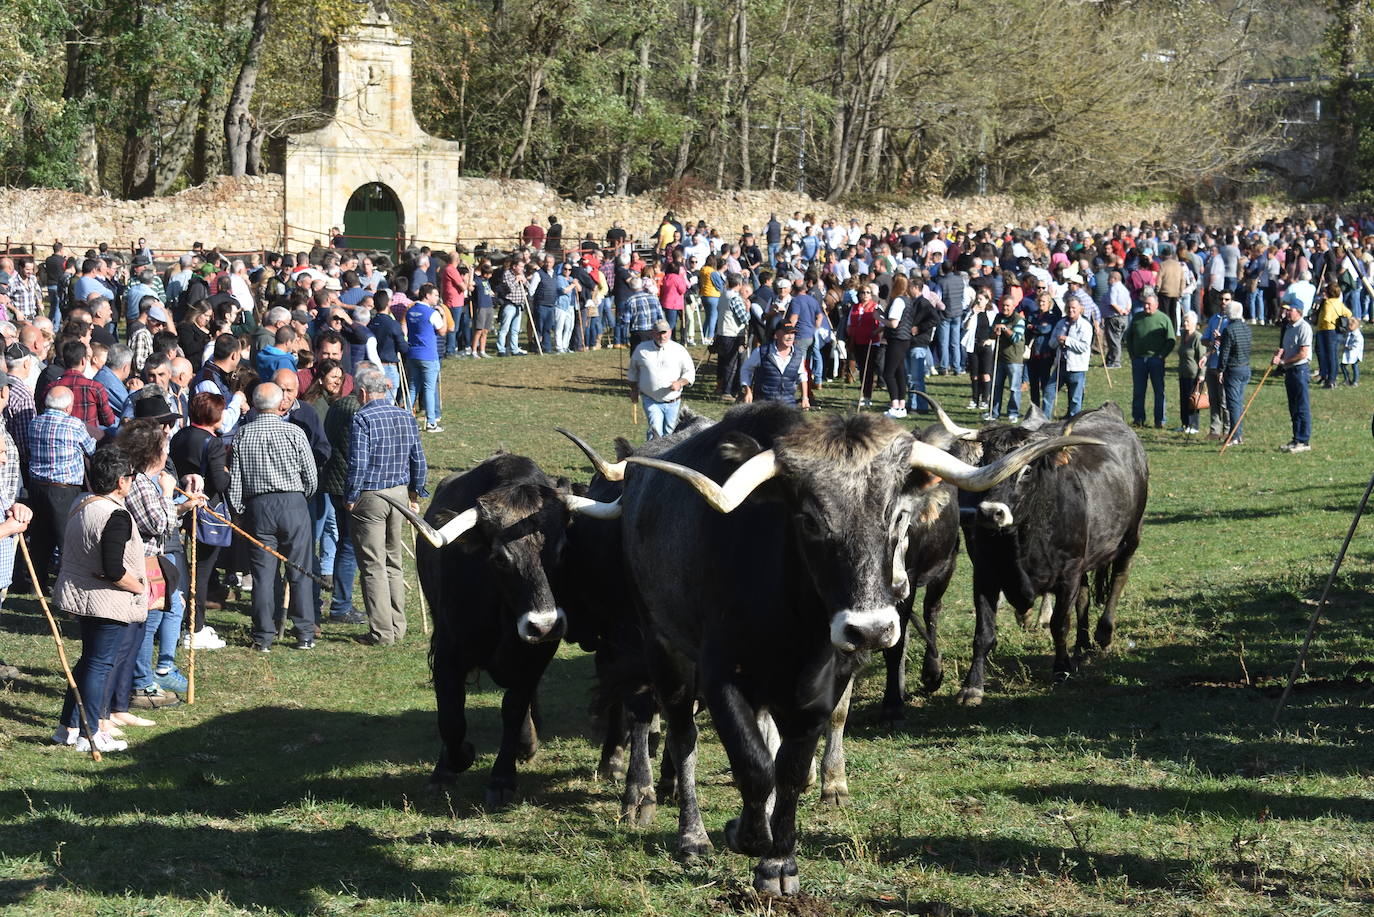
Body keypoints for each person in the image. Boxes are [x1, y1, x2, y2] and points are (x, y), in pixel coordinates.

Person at [50, 447, 145, 754]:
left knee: (88, 661)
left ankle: (68, 727)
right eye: (130, 477)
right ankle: (90, 733)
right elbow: (114, 569)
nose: (131, 482)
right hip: (107, 602)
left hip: (84, 596)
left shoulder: (82, 504)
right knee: (99, 665)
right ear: (121, 481)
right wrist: (140, 588)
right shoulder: (116, 515)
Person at [228, 382, 318, 652]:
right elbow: (311, 477)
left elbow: (236, 483)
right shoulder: (294, 432)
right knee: (300, 570)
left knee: (263, 575)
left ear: (254, 406)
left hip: (259, 507)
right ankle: (304, 633)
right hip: (293, 503)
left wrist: (239, 511)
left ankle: (263, 636)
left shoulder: (242, 435)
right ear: (280, 404)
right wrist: (301, 499)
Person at [346, 367, 428, 646]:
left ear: (363, 392)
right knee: (394, 561)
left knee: (373, 565)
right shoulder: (406, 415)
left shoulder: (362, 417)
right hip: (400, 494)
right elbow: (419, 458)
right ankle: (398, 626)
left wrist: (351, 495)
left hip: (371, 494)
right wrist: (415, 492)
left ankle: (382, 633)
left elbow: (358, 461)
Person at [168, 392, 231, 649]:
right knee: (201, 572)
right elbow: (220, 482)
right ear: (214, 414)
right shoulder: (214, 444)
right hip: (205, 512)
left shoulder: (179, 436)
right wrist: (227, 469)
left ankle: (186, 621)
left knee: (184, 568)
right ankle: (196, 628)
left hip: (180, 506)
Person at [28, 386, 98, 590]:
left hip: (37, 486)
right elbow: (91, 449)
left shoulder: (35, 422)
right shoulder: (74, 425)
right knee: (66, 537)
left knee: (41, 536)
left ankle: (36, 583)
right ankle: (69, 584)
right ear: (69, 407)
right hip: (64, 488)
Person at [628, 320, 695, 439]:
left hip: (673, 401)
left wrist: (680, 383)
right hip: (651, 399)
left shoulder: (679, 350)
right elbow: (633, 370)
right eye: (659, 333)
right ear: (653, 333)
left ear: (670, 332)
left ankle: (666, 456)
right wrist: (634, 390)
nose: (662, 336)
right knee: (655, 430)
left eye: (665, 333)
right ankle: (650, 454)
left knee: (670, 431)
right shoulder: (642, 349)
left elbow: (690, 372)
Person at [1124, 292, 1176, 428]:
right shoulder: (1137, 318)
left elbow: (1171, 340)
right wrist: (1132, 354)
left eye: (1149, 304)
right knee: (1138, 391)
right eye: (1144, 304)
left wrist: (1162, 355)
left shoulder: (1164, 319)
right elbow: (1128, 337)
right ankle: (1138, 419)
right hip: (1139, 360)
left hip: (1156, 360)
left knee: (1159, 391)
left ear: (1156, 305)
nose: (1146, 307)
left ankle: (1160, 420)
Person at [406, 283, 446, 432]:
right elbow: (442, 331)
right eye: (435, 295)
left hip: (413, 353)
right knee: (429, 389)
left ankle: (407, 418)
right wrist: (442, 314)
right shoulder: (432, 313)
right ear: (427, 296)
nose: (437, 298)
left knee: (413, 387)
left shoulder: (411, 311)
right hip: (428, 355)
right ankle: (431, 422)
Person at [741, 322, 810, 409]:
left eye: (792, 333)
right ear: (777, 334)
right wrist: (747, 390)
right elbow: (746, 369)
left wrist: (805, 397)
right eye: (786, 333)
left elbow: (802, 375)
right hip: (763, 405)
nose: (790, 337)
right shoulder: (761, 352)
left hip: (788, 406)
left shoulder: (798, 355)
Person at [1045, 295, 1093, 418]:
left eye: (1074, 308)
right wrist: (1058, 341)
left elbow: (1084, 347)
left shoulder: (1085, 325)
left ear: (1080, 309)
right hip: (1061, 364)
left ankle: (1073, 423)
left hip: (1077, 367)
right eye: (1069, 308)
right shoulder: (1061, 323)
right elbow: (1051, 343)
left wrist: (1067, 341)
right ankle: (1044, 419)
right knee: (1049, 391)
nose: (1071, 310)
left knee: (1075, 398)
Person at [1274, 300, 1313, 453]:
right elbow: (1285, 348)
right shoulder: (1288, 327)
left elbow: (1303, 353)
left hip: (1299, 370)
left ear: (1299, 312)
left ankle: (1304, 440)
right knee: (1293, 407)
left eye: (1291, 310)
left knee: (1301, 406)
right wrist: (1278, 355)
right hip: (1289, 370)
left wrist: (1283, 361)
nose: (1287, 312)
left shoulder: (1304, 327)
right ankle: (1296, 438)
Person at [1217, 301, 1252, 446]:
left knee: (1233, 405)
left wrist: (1220, 369)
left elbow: (1224, 353)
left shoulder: (1229, 330)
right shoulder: (1247, 329)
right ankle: (1238, 433)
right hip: (1245, 367)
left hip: (1233, 370)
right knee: (1239, 402)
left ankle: (1235, 435)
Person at [987, 293, 1027, 422]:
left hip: (1013, 359)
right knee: (996, 386)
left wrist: (1004, 329)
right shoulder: (998, 317)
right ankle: (994, 412)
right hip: (999, 358)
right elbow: (991, 335)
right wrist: (995, 332)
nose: (1005, 308)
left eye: (1008, 306)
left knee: (1014, 388)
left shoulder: (1018, 320)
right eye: (1003, 305)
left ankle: (1013, 413)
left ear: (1013, 306)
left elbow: (1016, 338)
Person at [1202, 291, 1233, 440]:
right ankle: (1215, 430)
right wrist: (1211, 341)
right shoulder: (1214, 318)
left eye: (1227, 299)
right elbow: (1204, 339)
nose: (1223, 302)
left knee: (1224, 400)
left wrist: (1223, 340)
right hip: (1212, 363)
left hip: (1225, 365)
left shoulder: (1232, 321)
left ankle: (1228, 430)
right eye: (1221, 299)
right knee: (1213, 399)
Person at [1311, 282, 1353, 389]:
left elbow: (1326, 317)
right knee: (1332, 355)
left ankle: (1330, 379)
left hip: (1326, 330)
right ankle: (1331, 378)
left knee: (1327, 355)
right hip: (1335, 332)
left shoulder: (1328, 303)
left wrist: (1329, 320)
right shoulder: (1339, 302)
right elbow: (1349, 313)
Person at [1176, 311, 1205, 435]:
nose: (1185, 323)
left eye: (1188, 321)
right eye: (1184, 321)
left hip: (1194, 375)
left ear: (1194, 323)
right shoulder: (1183, 335)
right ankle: (1184, 424)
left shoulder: (1198, 338)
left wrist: (1201, 374)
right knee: (1183, 400)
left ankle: (1193, 425)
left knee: (1192, 400)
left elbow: (1202, 357)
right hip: (1183, 373)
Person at [1341, 316, 1363, 386]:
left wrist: (1349, 347)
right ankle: (1347, 379)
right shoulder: (1349, 333)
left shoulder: (1357, 335)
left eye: (1349, 325)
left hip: (1355, 354)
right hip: (1348, 353)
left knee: (1354, 366)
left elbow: (1357, 345)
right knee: (1342, 365)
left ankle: (1355, 381)